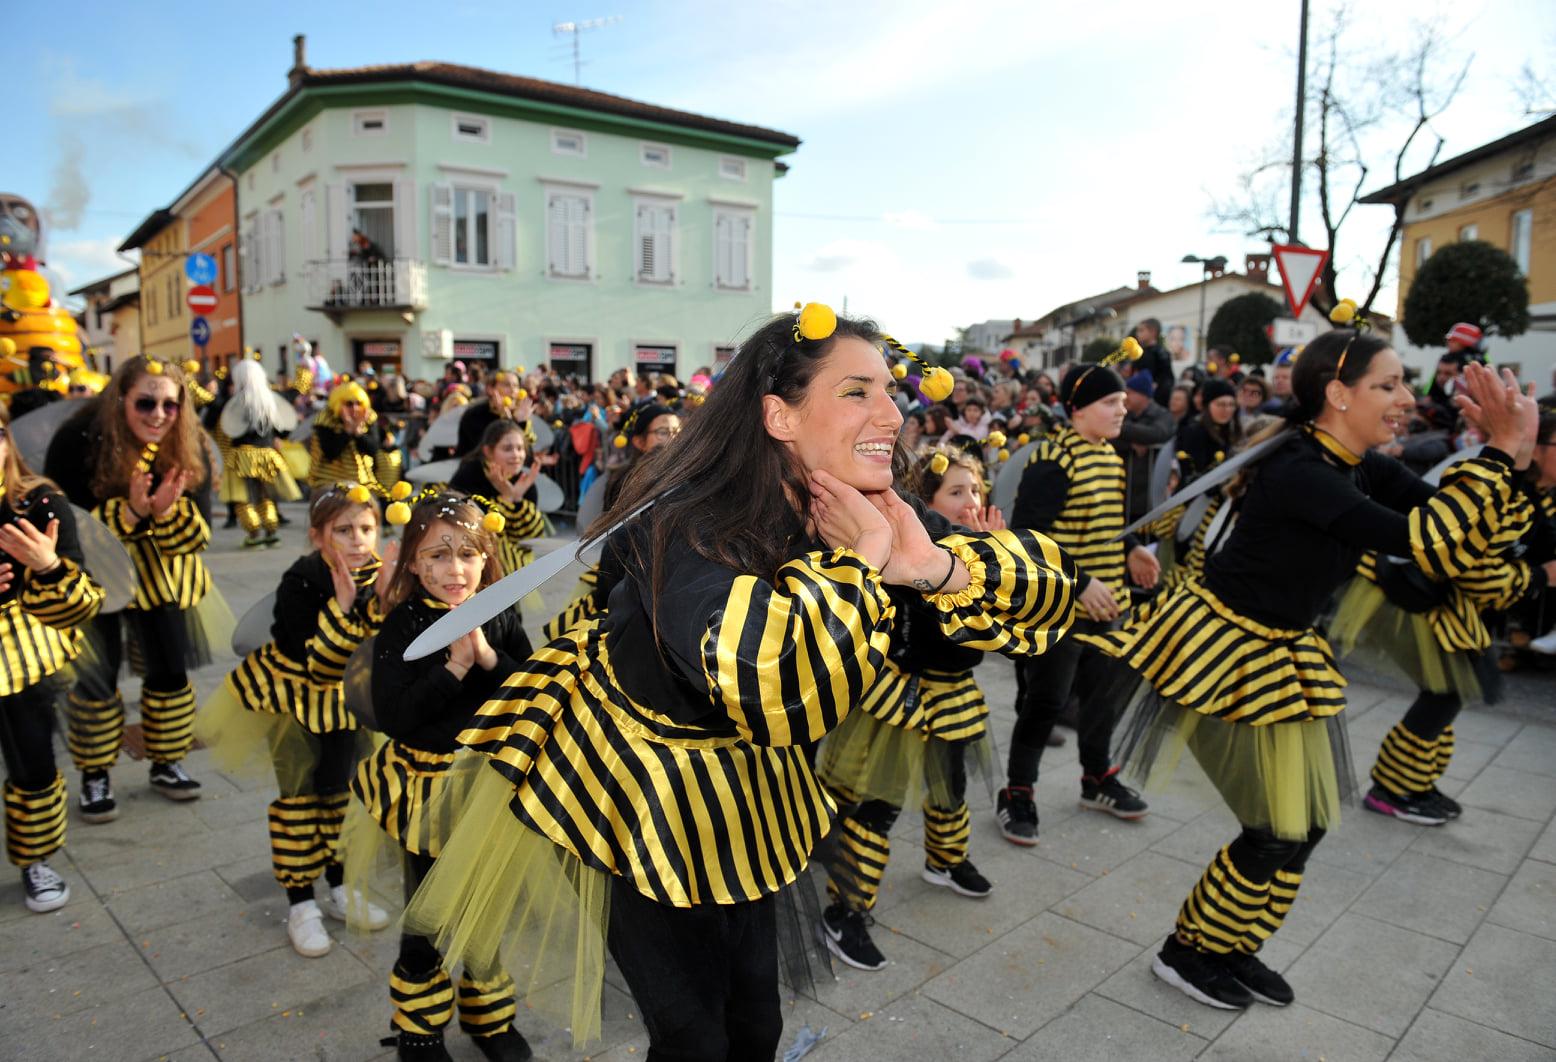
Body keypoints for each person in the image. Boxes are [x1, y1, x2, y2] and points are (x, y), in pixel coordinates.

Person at [402, 306, 1077, 1058]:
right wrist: (866, 564)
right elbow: (776, 677)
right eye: (857, 392)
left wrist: (932, 567)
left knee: (757, 1024)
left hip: (749, 784)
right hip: (630, 783)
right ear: (779, 416)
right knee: (692, 1039)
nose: (895, 412)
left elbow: (1050, 589)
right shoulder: (691, 519)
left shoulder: (867, 506)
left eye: (891, 391)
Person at [1093, 327, 1535, 1012]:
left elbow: (1460, 533)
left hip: (1282, 649)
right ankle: (1186, 954)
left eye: (1401, 384)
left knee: (1307, 820)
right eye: (1386, 385)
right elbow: (1423, 544)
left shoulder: (1360, 462)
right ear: (1337, 394)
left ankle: (1230, 945)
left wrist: (1513, 457)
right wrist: (1500, 454)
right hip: (1222, 654)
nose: (1405, 399)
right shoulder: (1301, 468)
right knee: (1275, 829)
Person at [351, 493, 534, 1061]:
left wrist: (488, 661)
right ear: (412, 562)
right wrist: (453, 668)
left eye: (468, 554)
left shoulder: (500, 612)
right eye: (437, 556)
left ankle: (490, 1017)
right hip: (426, 789)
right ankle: (419, 1027)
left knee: (487, 902)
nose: (455, 570)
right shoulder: (403, 624)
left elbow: (528, 694)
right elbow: (395, 716)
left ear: (488, 557)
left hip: (488, 785)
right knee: (427, 912)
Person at [815, 447, 1008, 970]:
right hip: (903, 693)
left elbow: (988, 640)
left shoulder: (985, 552)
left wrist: (988, 560)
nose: (971, 501)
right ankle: (846, 909)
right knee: (878, 805)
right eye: (956, 493)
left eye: (976, 490)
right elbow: (928, 630)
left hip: (954, 693)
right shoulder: (912, 548)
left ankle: (946, 861)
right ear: (925, 504)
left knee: (951, 788)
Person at [197, 484, 395, 956]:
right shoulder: (301, 579)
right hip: (297, 701)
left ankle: (340, 884)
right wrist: (346, 611)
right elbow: (318, 663)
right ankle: (300, 901)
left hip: (353, 704)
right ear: (316, 535)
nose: (356, 540)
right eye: (342, 530)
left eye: (366, 528)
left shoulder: (379, 575)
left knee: (347, 792)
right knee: (300, 798)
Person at [45, 356, 228, 819]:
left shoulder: (191, 443)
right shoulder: (78, 442)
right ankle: (94, 773)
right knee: (95, 679)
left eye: (171, 403)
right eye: (146, 401)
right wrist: (129, 515)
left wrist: (165, 514)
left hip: (164, 577)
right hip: (95, 580)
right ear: (120, 399)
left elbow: (199, 533)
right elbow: (67, 529)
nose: (159, 414)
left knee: (169, 673)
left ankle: (166, 760)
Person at [999, 347, 1160, 845]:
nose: (1122, 410)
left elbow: (1106, 526)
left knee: (1102, 698)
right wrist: (1081, 581)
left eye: (1121, 401)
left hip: (1107, 602)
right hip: (1062, 605)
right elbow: (1029, 540)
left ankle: (1097, 778)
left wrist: (1132, 547)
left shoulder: (1110, 457)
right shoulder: (1052, 459)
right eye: (1111, 401)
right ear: (1078, 408)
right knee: (1045, 701)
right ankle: (1018, 792)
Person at [0, 405, 106, 912]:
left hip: (21, 657)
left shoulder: (38, 504)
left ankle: (35, 858)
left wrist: (45, 567)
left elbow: (83, 603)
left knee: (34, 763)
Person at [447, 420, 548, 575]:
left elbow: (530, 537)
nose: (516, 455)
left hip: (518, 567)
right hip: (473, 564)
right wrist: (506, 499)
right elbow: (471, 528)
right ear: (488, 451)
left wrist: (517, 500)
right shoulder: (469, 475)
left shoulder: (525, 481)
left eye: (520, 448)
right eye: (508, 449)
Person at [224, 359, 303, 548]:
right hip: (267, 454)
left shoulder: (237, 402)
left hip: (243, 455)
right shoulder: (270, 399)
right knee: (265, 495)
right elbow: (283, 426)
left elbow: (223, 424)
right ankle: (271, 531)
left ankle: (254, 534)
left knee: (244, 496)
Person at [308, 380, 401, 497]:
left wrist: (358, 432)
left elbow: (374, 450)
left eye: (358, 403)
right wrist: (347, 430)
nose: (355, 408)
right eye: (349, 404)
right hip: (330, 480)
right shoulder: (325, 421)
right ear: (338, 403)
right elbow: (330, 453)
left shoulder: (369, 418)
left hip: (362, 480)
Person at [1117, 370, 1175, 523]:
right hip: (1123, 494)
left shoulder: (1162, 415)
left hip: (1149, 494)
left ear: (1142, 395)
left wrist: (1122, 428)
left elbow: (1157, 433)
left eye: (1129, 392)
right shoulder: (1124, 414)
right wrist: (1130, 443)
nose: (1125, 397)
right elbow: (1108, 435)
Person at [1175, 378, 1242, 484]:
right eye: (1221, 404)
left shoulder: (1232, 431)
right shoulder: (1194, 432)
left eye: (1231, 405)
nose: (1227, 410)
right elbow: (1192, 473)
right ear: (1207, 405)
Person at [1133, 319, 1175, 406]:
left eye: (1141, 330)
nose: (1137, 334)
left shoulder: (1161, 353)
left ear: (1153, 332)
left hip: (1155, 401)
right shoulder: (1138, 353)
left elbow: (1166, 379)